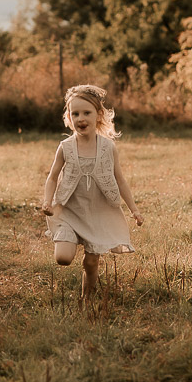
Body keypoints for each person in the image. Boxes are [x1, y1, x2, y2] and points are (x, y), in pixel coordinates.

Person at [40, 84, 143, 300]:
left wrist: (134, 209)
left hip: (97, 213)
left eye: (86, 112)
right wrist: (47, 202)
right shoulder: (65, 147)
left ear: (98, 115)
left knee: (91, 261)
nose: (81, 118)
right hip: (69, 211)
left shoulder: (108, 148)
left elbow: (120, 180)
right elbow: (52, 177)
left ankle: (86, 297)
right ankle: (71, 236)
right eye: (75, 113)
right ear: (68, 117)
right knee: (63, 258)